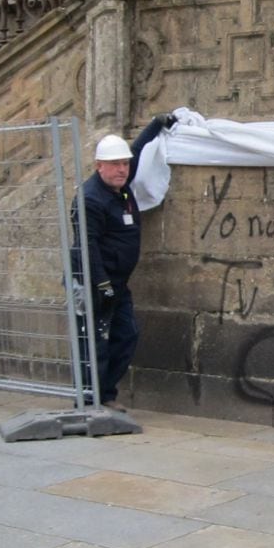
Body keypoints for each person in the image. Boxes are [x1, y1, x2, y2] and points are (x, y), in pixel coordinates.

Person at [71, 114, 175, 411]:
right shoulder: (90, 199)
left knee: (126, 335)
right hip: (93, 282)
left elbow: (139, 150)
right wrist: (101, 283)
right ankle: (92, 400)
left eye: (124, 164)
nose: (122, 169)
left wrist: (157, 124)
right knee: (95, 342)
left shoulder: (120, 185)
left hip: (117, 282)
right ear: (98, 166)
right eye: (115, 164)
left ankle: (104, 394)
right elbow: (86, 245)